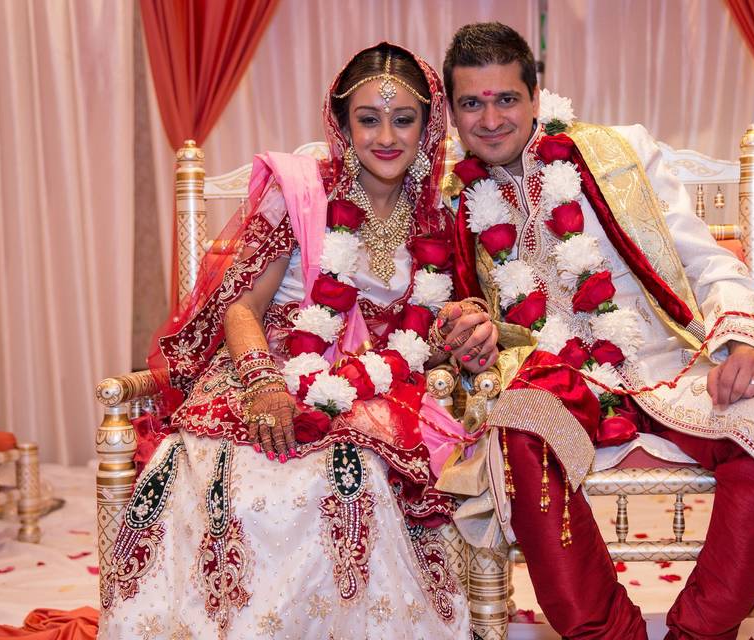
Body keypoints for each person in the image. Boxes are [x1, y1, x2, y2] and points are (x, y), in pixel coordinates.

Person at [443, 22, 754, 640]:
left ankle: (698, 632)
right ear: (451, 111)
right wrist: (463, 330)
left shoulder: (621, 153)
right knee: (519, 429)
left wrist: (744, 340)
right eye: (472, 103)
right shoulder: (450, 196)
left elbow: (708, 262)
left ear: (536, 95)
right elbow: (441, 310)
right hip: (553, 375)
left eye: (507, 98)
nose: (491, 118)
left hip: (670, 363)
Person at [100, 43, 488, 639]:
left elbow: (427, 333)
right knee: (243, 479)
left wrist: (457, 329)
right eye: (368, 118)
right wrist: (262, 384)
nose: (385, 136)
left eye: (403, 119)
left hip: (374, 383)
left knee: (348, 471)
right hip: (265, 370)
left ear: (429, 125)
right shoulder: (303, 192)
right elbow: (242, 308)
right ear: (341, 123)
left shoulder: (442, 211)